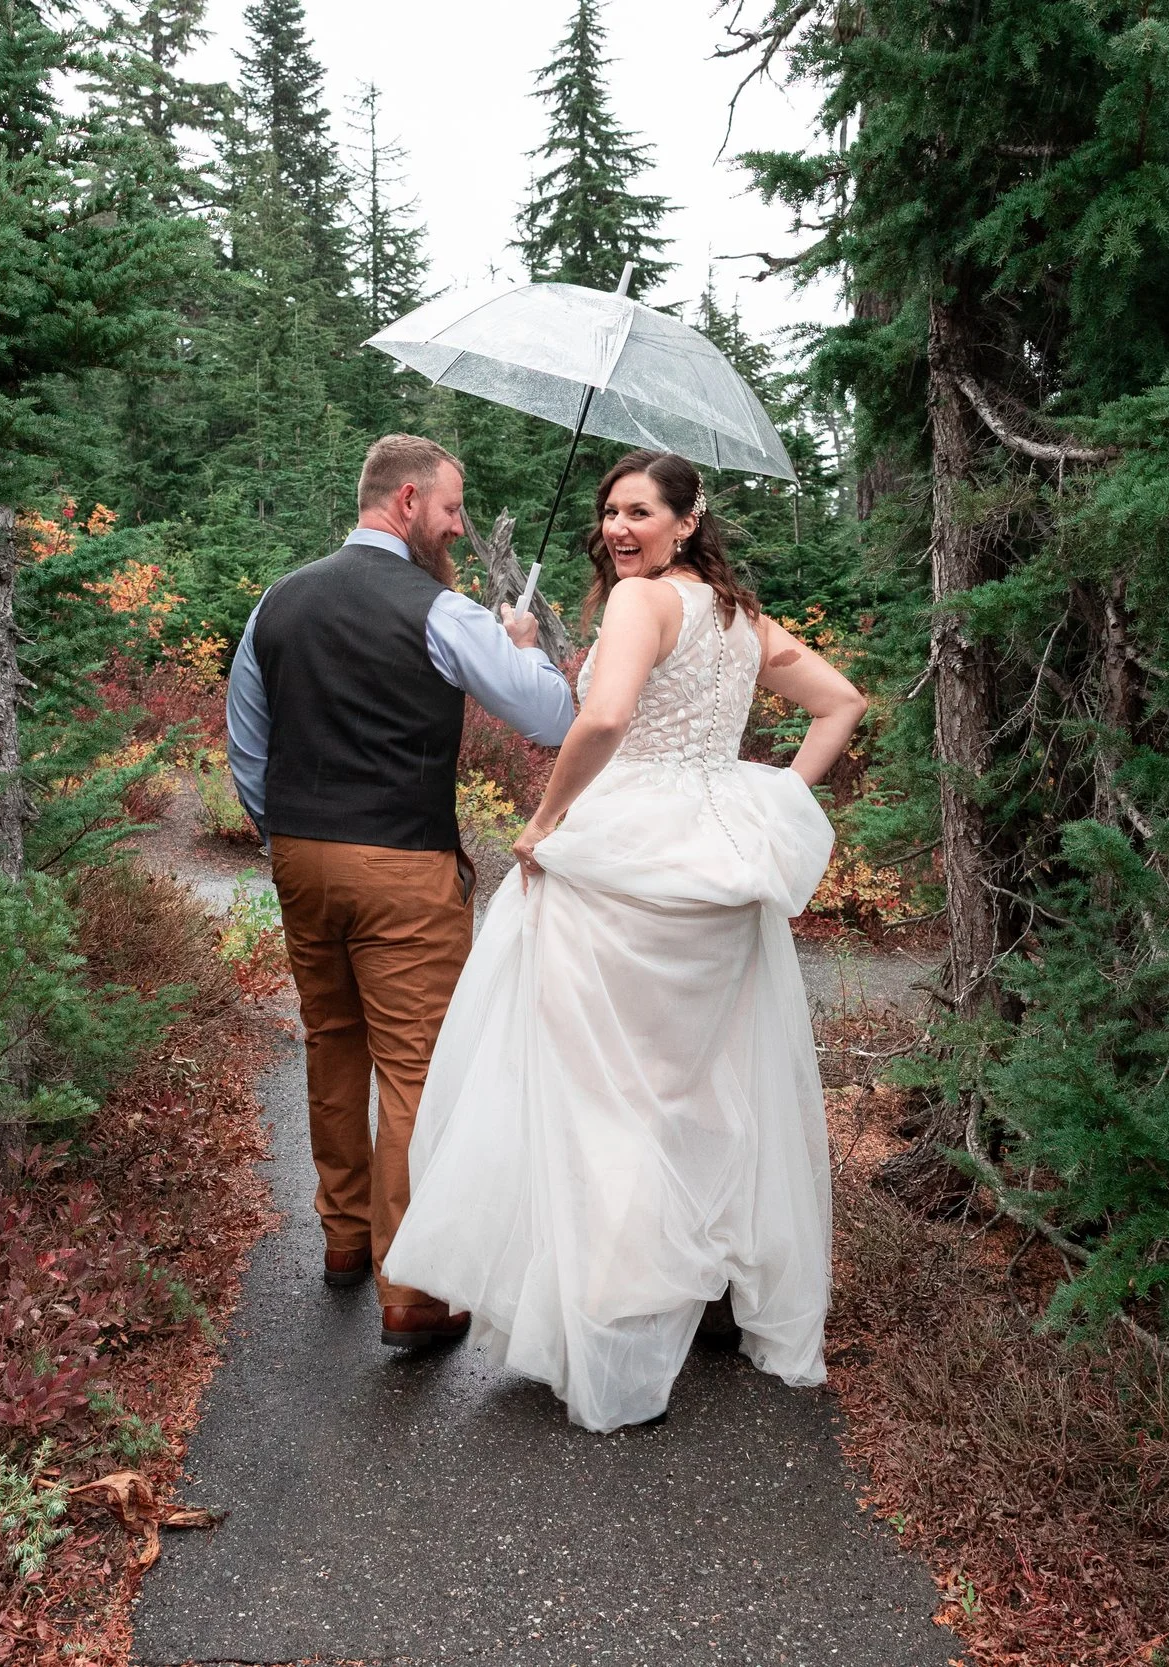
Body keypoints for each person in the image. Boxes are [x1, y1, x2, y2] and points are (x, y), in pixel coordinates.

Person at [383, 449, 867, 1431]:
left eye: (639, 511)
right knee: (698, 1085)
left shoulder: (643, 603)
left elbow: (603, 719)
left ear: (687, 520)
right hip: (715, 868)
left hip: (624, 859)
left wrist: (544, 821)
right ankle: (709, 1296)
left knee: (602, 1091)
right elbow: (841, 703)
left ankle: (610, 1321)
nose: (617, 528)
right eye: (609, 511)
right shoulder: (739, 617)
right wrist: (771, 797)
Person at [225, 434, 575, 1349]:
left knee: (332, 1039)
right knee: (417, 1066)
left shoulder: (278, 600)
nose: (460, 527)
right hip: (403, 865)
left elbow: (247, 748)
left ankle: (345, 1241)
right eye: (454, 509)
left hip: (300, 857)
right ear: (409, 501)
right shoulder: (443, 611)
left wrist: (285, 833)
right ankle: (413, 1290)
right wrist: (526, 648)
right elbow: (550, 716)